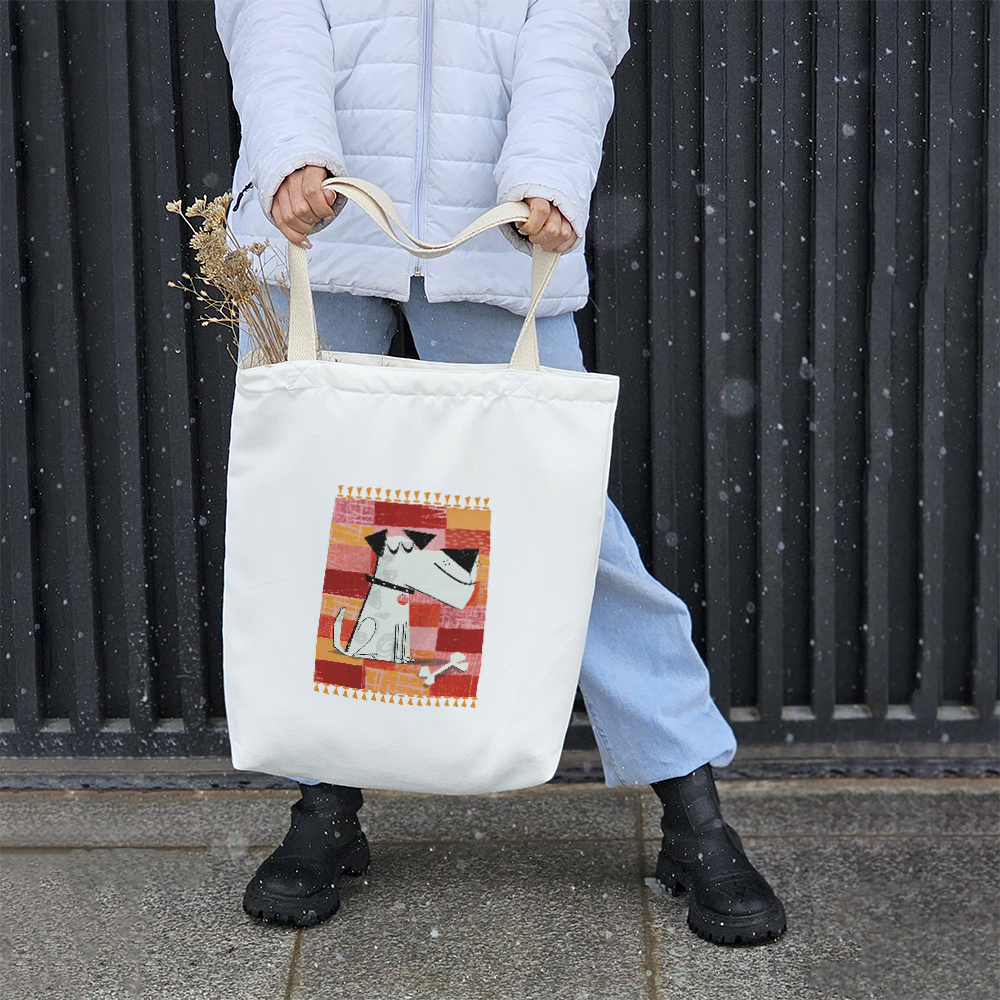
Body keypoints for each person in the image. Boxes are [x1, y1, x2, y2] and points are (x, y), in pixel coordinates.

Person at [215, 0, 786, 946]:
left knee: (568, 529)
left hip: (496, 232)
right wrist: (291, 153)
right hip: (316, 227)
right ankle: (323, 803)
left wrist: (548, 174)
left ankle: (693, 812)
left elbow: (573, 27)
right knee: (313, 532)